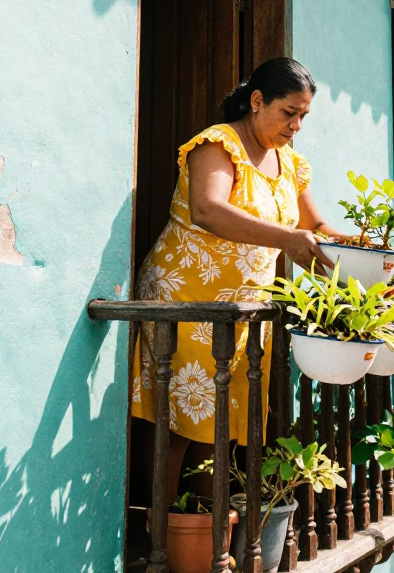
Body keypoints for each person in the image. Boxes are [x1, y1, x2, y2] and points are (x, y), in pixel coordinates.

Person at [131, 57, 346, 499]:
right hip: (186, 298)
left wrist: (366, 248)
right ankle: (160, 536)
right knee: (180, 422)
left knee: (222, 424)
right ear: (256, 101)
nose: (297, 125)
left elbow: (316, 230)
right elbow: (207, 209)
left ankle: (203, 534)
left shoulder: (292, 164)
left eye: (303, 116)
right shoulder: (218, 143)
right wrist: (288, 238)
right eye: (289, 112)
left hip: (240, 310)